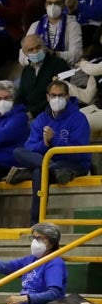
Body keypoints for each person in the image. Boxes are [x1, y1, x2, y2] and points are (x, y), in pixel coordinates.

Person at [9, 81, 92, 223]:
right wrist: (45, 143)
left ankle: (35, 222)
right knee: (18, 151)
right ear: (47, 97)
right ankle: (47, 165)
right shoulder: (42, 118)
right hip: (52, 163)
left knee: (38, 172)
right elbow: (29, 147)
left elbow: (80, 152)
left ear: (67, 97)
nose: (57, 99)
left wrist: (54, 142)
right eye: (53, 95)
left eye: (60, 95)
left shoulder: (79, 118)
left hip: (74, 163)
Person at [23, 0, 83, 67]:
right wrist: (33, 60)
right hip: (40, 69)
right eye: (50, 3)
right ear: (45, 5)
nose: (53, 6)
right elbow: (22, 54)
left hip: (65, 68)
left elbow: (76, 54)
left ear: (63, 5)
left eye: (57, 3)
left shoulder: (73, 25)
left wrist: (54, 54)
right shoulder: (35, 26)